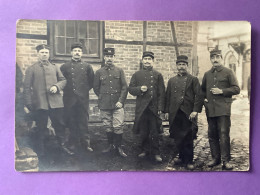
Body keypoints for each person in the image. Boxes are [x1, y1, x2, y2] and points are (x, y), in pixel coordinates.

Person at [23, 44, 68, 157]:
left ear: (49, 54)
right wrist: (29, 103)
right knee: (41, 127)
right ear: (38, 54)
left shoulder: (55, 67)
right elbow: (27, 87)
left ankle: (62, 147)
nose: (44, 54)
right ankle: (41, 151)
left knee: (60, 125)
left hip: (56, 102)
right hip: (40, 103)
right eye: (42, 52)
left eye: (46, 52)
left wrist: (57, 87)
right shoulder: (32, 69)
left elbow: (63, 80)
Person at [201, 49, 240, 170]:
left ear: (222, 58)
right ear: (211, 59)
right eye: (213, 57)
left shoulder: (228, 72)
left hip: (223, 109)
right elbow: (202, 90)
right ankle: (215, 158)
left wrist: (222, 91)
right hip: (210, 110)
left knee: (223, 134)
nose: (215, 59)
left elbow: (236, 89)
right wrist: (204, 99)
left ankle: (226, 160)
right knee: (212, 135)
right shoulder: (207, 74)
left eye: (218, 57)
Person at [165, 55, 203, 170]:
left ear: (187, 66)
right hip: (175, 112)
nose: (181, 67)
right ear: (176, 66)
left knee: (188, 136)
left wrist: (195, 110)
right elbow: (168, 96)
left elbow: (199, 96)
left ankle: (189, 160)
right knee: (178, 136)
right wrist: (166, 111)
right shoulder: (172, 80)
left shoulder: (193, 79)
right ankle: (181, 157)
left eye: (183, 65)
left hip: (188, 113)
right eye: (179, 64)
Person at [129, 51, 165, 162]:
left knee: (155, 131)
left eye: (149, 59)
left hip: (153, 109)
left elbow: (161, 93)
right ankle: (143, 150)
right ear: (142, 61)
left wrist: (160, 108)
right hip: (142, 108)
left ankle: (156, 152)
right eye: (145, 59)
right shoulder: (137, 74)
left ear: (153, 61)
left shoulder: (158, 75)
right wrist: (139, 89)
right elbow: (130, 89)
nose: (147, 61)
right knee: (143, 131)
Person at [60, 42, 94, 154]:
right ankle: (72, 143)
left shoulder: (87, 67)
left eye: (79, 51)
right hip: (69, 99)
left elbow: (91, 82)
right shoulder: (64, 67)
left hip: (83, 99)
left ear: (82, 53)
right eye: (75, 51)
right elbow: (62, 81)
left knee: (83, 121)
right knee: (71, 121)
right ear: (71, 53)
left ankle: (86, 143)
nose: (77, 53)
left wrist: (82, 92)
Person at [93, 48, 128, 157]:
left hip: (117, 104)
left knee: (118, 125)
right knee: (107, 125)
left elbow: (124, 87)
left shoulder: (119, 70)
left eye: (111, 56)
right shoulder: (99, 72)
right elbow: (96, 88)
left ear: (114, 57)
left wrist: (121, 101)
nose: (109, 58)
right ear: (104, 57)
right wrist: (103, 97)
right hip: (104, 104)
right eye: (107, 56)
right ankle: (110, 145)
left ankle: (118, 147)